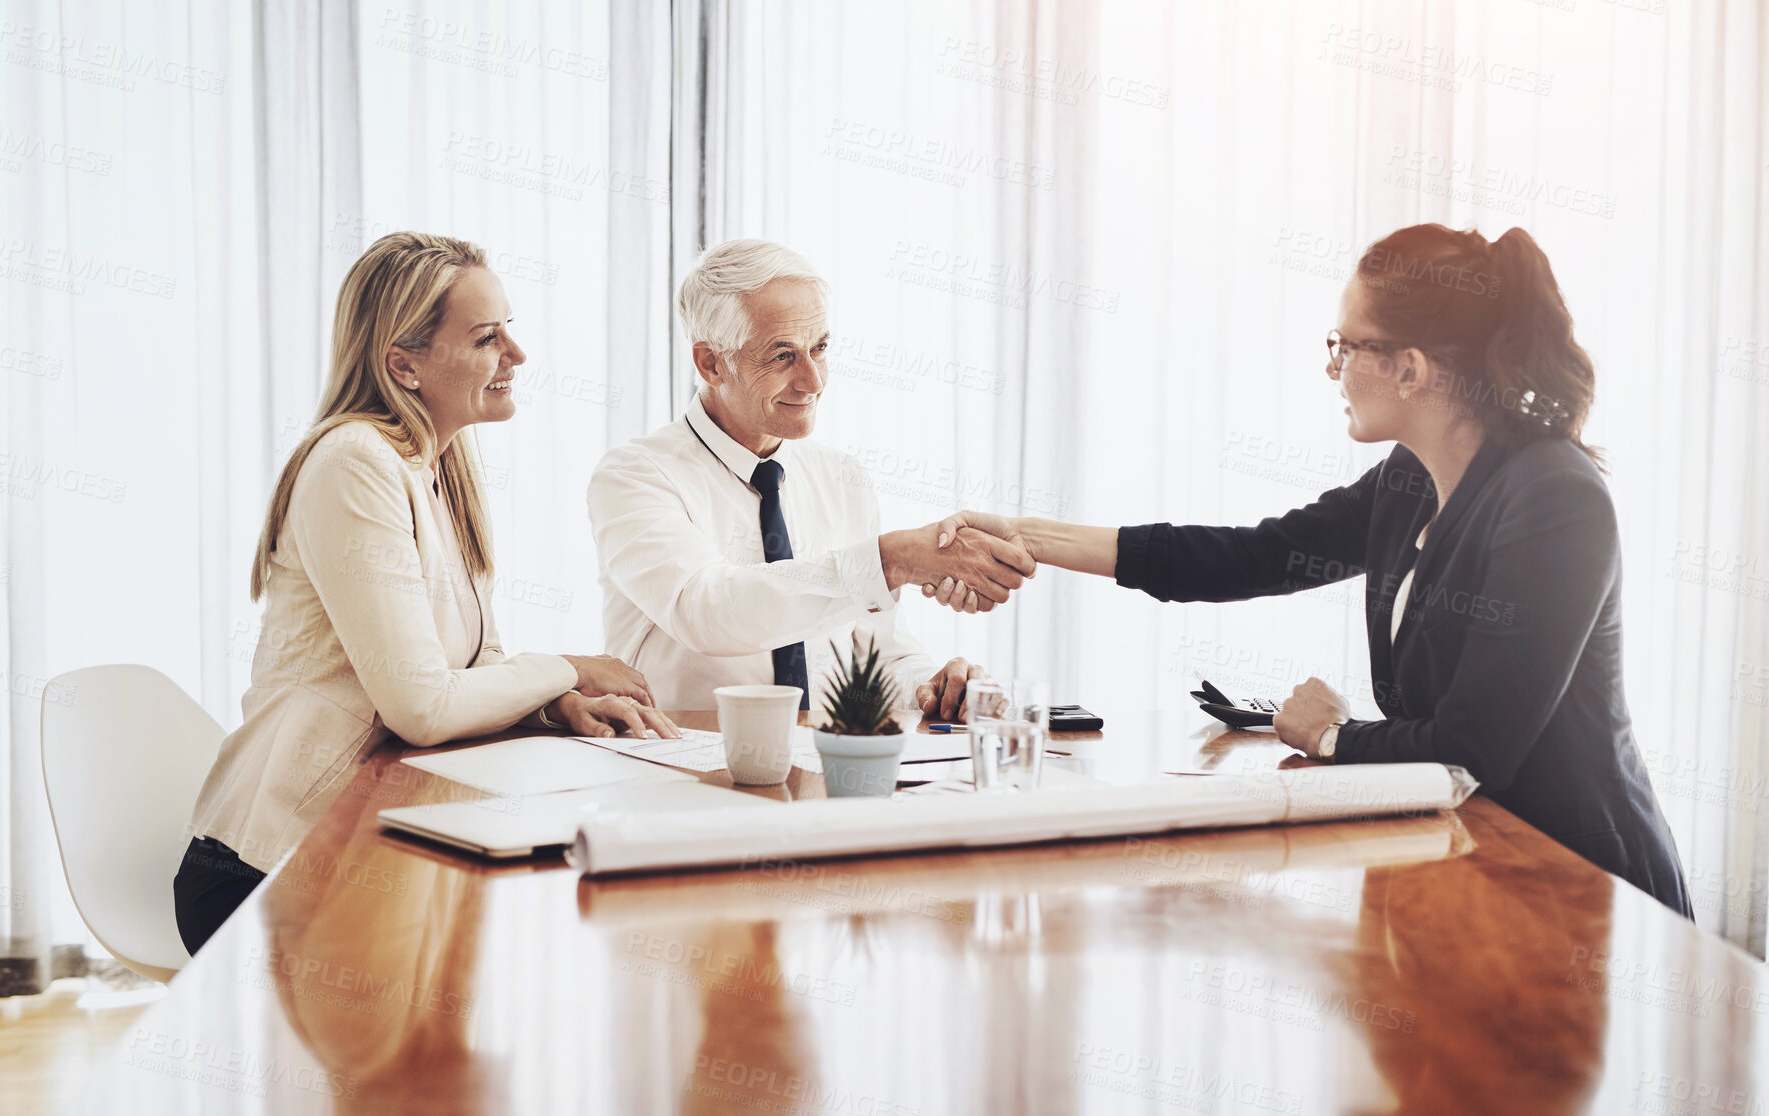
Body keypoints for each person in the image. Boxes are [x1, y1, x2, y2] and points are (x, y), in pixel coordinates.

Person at [928, 224, 1692, 916]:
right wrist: (1027, 535)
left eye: (1344, 345)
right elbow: (1250, 555)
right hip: (1467, 864)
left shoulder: (1554, 496)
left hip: (1584, 888)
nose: (1331, 369)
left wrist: (1333, 735)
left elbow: (1474, 746)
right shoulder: (1409, 481)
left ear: (1410, 368)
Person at [175, 232, 677, 954]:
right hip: (265, 867)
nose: (517, 355)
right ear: (403, 365)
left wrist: (553, 703)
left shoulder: (441, 466)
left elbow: (474, 664)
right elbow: (422, 706)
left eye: (510, 329)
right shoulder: (355, 463)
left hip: (368, 843)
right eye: (486, 337)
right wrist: (569, 667)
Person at [587, 239, 1034, 718]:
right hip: (680, 776)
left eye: (819, 348)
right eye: (783, 356)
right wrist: (890, 560)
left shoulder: (843, 479)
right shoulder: (634, 476)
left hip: (822, 776)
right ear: (710, 363)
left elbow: (872, 653)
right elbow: (705, 611)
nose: (814, 380)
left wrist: (929, 686)